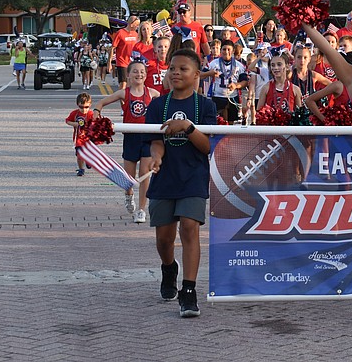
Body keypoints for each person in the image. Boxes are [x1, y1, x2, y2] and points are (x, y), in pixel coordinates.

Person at [145, 48, 217, 318]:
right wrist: (156, 157)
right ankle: (169, 268)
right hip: (165, 178)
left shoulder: (206, 106)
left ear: (196, 74)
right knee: (164, 239)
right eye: (172, 68)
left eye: (182, 69)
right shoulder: (157, 105)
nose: (175, 72)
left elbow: (207, 146)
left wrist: (188, 127)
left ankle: (189, 291)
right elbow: (155, 141)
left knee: (189, 227)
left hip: (193, 177)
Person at [93, 60, 160, 223]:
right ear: (128, 75)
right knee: (128, 177)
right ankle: (128, 195)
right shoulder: (124, 93)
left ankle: (141, 209)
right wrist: (96, 113)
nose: (139, 74)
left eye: (142, 72)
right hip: (130, 138)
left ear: (146, 75)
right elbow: (101, 103)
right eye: (135, 71)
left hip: (147, 137)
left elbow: (166, 105)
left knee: (144, 174)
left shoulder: (153, 93)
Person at [304, 51, 352, 123]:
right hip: (343, 128)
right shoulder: (339, 86)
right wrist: (325, 120)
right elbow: (309, 100)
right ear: (351, 66)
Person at [207, 40, 248, 124]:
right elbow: (200, 74)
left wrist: (236, 85)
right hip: (218, 96)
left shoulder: (239, 65)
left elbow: (245, 82)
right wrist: (209, 73)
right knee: (219, 122)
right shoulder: (213, 63)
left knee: (231, 123)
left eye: (229, 49)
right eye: (224, 49)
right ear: (221, 50)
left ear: (233, 51)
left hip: (233, 96)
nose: (226, 52)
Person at [65, 92, 94, 176]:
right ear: (77, 104)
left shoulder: (91, 114)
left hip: (89, 138)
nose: (84, 109)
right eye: (81, 107)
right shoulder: (75, 113)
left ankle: (89, 160)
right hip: (79, 138)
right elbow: (68, 121)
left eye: (86, 107)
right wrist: (75, 124)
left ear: (90, 105)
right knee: (79, 154)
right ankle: (81, 169)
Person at [109, 15, 140, 90]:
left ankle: (127, 97)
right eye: (136, 24)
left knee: (130, 84)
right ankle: (121, 97)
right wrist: (109, 63)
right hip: (122, 62)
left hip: (132, 63)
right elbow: (113, 48)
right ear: (131, 24)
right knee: (123, 84)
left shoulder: (136, 34)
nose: (137, 26)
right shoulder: (120, 33)